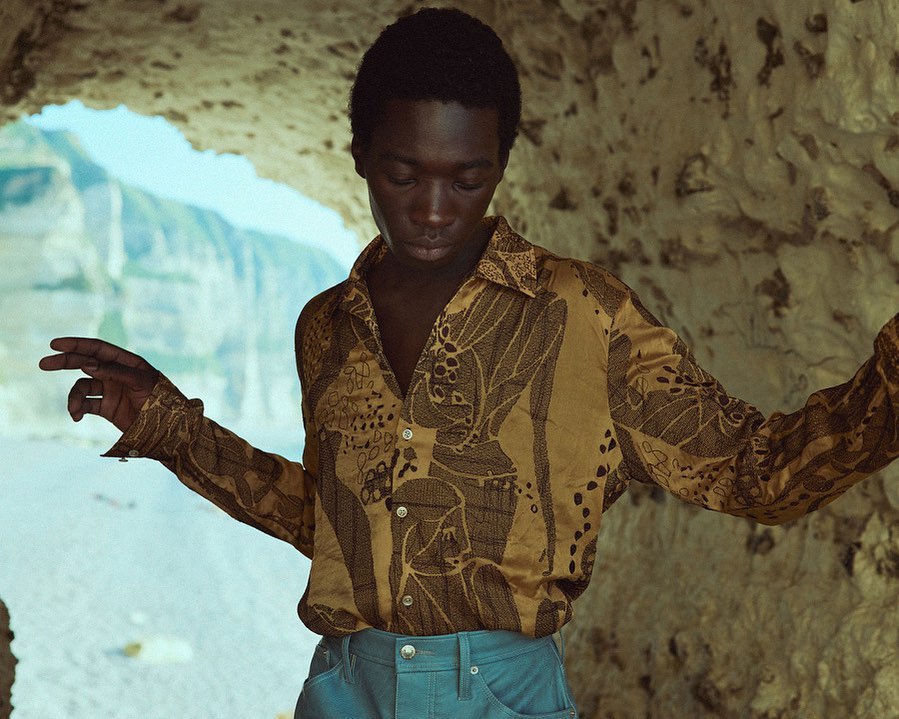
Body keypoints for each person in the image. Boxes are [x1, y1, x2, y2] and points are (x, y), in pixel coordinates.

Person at [39, 7, 899, 719]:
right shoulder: (326, 327)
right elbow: (337, 524)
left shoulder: (585, 314)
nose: (432, 209)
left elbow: (757, 473)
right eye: (403, 175)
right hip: (341, 687)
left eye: (466, 178)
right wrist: (170, 427)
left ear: (500, 168)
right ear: (359, 156)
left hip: (500, 694)